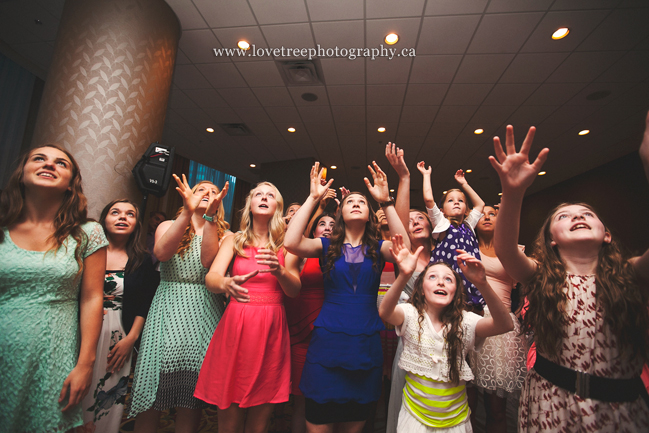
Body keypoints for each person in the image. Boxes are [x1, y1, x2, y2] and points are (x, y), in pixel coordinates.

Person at [490, 122, 649, 431]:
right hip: (551, 402)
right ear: (552, 239)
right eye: (564, 216)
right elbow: (506, 251)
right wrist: (512, 193)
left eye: (588, 214)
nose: (577, 216)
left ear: (607, 235)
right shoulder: (542, 276)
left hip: (619, 408)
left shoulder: (630, 274)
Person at [284, 161, 410, 433]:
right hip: (327, 343)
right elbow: (291, 242)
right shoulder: (326, 245)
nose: (355, 203)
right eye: (350, 200)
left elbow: (406, 247)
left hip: (364, 345)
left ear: (368, 214)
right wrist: (313, 197)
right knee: (317, 423)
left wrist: (386, 201)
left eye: (361, 202)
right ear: (341, 210)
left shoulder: (379, 247)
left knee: (354, 424)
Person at [0, 144, 107, 432]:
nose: (49, 165)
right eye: (39, 159)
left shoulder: (88, 233)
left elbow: (93, 298)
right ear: (22, 174)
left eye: (61, 163)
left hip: (52, 351)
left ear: (71, 184)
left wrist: (85, 364)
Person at [195, 181, 301, 433]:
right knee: (228, 422)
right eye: (258, 195)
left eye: (270, 195)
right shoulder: (234, 240)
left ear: (278, 206)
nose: (264, 198)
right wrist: (225, 283)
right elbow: (211, 278)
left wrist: (279, 270)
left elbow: (294, 290)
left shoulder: (289, 244)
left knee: (259, 423)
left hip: (271, 330)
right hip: (237, 325)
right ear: (250, 205)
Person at [379, 235, 514, 433]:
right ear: (422, 289)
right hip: (414, 418)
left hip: (456, 421)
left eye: (448, 279)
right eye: (432, 277)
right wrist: (404, 275)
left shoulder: (466, 321)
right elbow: (385, 312)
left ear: (455, 292)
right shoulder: (410, 313)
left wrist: (482, 283)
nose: (441, 282)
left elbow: (505, 325)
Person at [128, 176, 230, 433]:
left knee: (192, 391)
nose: (207, 192)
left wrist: (210, 218)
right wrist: (187, 212)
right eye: (201, 190)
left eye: (213, 191)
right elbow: (162, 254)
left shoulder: (225, 233)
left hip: (206, 310)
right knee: (154, 383)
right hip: (169, 305)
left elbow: (208, 262)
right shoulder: (169, 224)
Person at [81, 199, 160, 432]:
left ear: (137, 224)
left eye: (130, 214)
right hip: (82, 329)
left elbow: (144, 303)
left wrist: (131, 339)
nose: (122, 217)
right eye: (115, 212)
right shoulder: (85, 251)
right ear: (104, 219)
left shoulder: (142, 259)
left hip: (118, 335)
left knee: (108, 397)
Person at [468, 206, 527, 432]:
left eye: (492, 213)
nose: (487, 217)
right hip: (472, 321)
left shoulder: (512, 251)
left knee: (497, 408)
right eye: (482, 213)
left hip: (501, 327)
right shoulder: (467, 249)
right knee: (468, 403)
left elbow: (529, 280)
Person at [285, 212, 335, 433]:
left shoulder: (346, 255)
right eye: (321, 224)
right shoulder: (301, 254)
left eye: (333, 225)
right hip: (302, 332)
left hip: (333, 333)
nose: (327, 228)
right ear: (313, 231)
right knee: (301, 399)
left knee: (330, 397)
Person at [419, 163, 486, 311]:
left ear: (466, 210)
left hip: (469, 279)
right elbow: (429, 200)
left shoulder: (468, 226)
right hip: (447, 278)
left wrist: (464, 184)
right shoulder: (442, 224)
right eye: (451, 200)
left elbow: (480, 204)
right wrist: (426, 175)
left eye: (460, 200)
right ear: (442, 211)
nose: (456, 202)